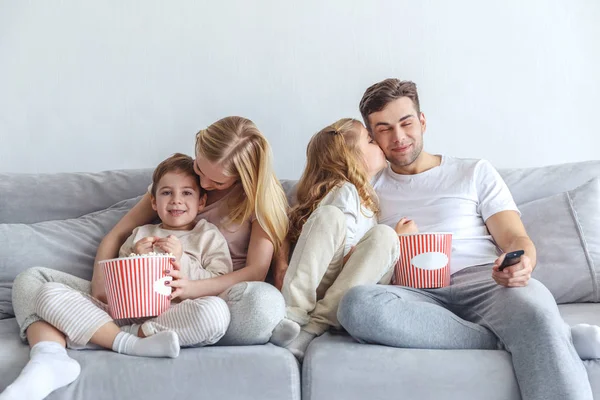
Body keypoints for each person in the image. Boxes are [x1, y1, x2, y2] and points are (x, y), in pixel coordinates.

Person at [336, 79, 599, 400]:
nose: (399, 137)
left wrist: (520, 263)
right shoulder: (367, 187)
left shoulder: (473, 171)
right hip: (409, 292)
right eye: (384, 128)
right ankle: (504, 337)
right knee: (356, 307)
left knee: (537, 313)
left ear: (422, 121)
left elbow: (515, 236)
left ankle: (528, 332)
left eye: (406, 123)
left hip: (482, 282)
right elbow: (351, 258)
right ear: (372, 136)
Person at [4, 117, 291, 400]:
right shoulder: (175, 185)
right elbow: (117, 236)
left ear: (244, 174)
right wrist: (102, 284)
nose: (202, 182)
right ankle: (50, 356)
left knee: (259, 306)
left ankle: (99, 333)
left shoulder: (259, 201)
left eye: (215, 180)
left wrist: (190, 287)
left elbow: (255, 272)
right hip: (138, 297)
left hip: (207, 300)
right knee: (32, 280)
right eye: (199, 168)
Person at [279, 118, 411, 361]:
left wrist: (394, 241)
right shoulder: (344, 191)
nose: (379, 144)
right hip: (327, 280)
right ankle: (293, 315)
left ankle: (313, 326)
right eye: (371, 141)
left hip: (347, 295)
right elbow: (347, 254)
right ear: (352, 157)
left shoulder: (368, 203)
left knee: (385, 235)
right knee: (332, 217)